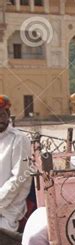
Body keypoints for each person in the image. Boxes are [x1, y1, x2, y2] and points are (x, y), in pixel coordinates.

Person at [0, 95, 31, 232]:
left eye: (2, 115)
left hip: (9, 209)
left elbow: (19, 177)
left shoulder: (18, 139)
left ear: (8, 115)